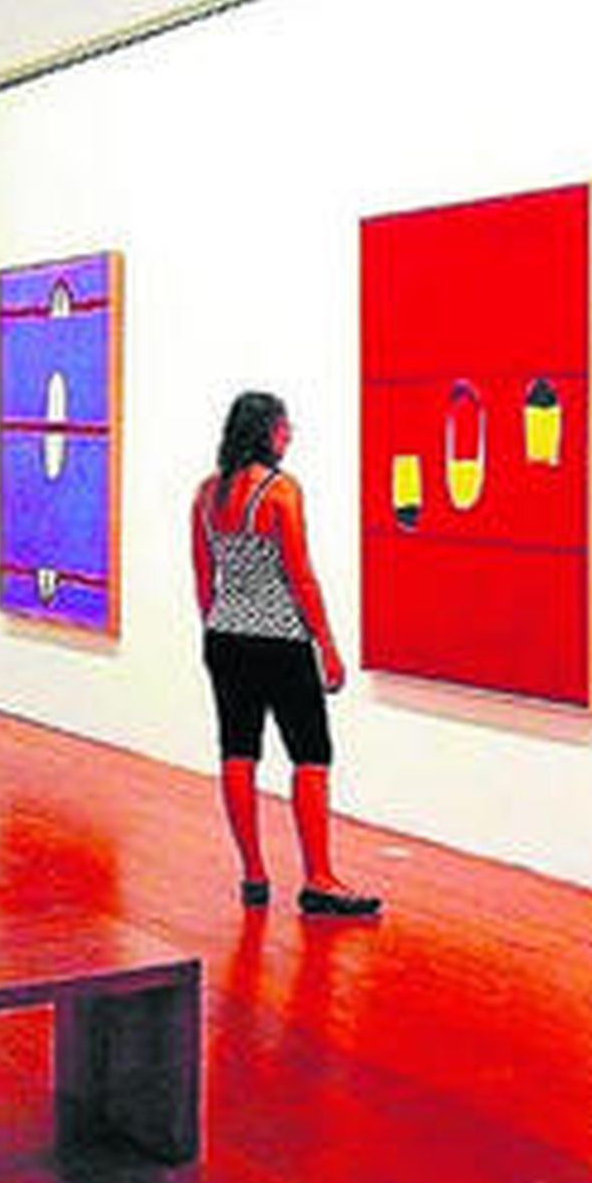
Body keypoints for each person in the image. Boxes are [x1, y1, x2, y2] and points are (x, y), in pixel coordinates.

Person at [191, 391, 381, 916]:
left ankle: (253, 874)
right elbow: (301, 576)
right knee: (311, 754)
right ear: (265, 432)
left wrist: (219, 625)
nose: (289, 434)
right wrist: (328, 646)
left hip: (225, 638)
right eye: (283, 426)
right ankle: (318, 878)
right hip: (281, 641)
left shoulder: (207, 494)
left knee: (238, 749)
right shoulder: (279, 491)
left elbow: (204, 577)